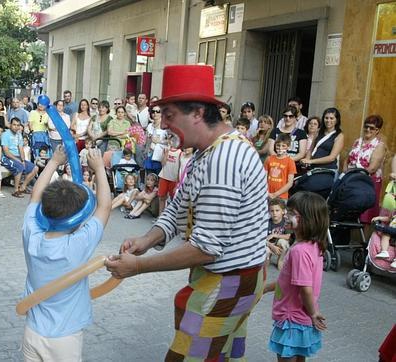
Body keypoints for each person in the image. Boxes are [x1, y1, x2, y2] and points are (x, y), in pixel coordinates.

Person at [105, 65, 268, 361]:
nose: (164, 125)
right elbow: (178, 209)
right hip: (223, 277)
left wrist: (139, 267)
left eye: (169, 115)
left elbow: (206, 248)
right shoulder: (206, 153)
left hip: (229, 279)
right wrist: (147, 239)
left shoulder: (225, 159)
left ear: (196, 113)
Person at [20, 146, 110, 361]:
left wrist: (53, 162)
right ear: (78, 219)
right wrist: (99, 168)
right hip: (65, 337)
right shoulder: (78, 245)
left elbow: (34, 197)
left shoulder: (31, 234)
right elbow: (105, 207)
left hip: (32, 332)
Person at [264, 192, 328, 361]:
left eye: (292, 213)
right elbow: (288, 281)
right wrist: (264, 289)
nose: (285, 214)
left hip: (291, 320)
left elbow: (305, 288)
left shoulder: (299, 251)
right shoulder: (313, 246)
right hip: (301, 318)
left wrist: (314, 313)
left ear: (307, 220)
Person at [344, 114, 387, 224]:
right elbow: (347, 159)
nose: (368, 129)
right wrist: (344, 173)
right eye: (366, 126)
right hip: (350, 179)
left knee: (366, 214)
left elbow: (372, 168)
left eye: (372, 128)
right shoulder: (358, 141)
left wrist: (354, 176)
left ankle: (364, 238)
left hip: (368, 181)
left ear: (377, 130)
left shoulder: (379, 145)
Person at [1, 118, 39, 198]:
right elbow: (6, 152)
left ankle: (23, 187)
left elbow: (21, 148)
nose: (16, 127)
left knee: (35, 168)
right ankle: (16, 191)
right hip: (6, 157)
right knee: (20, 167)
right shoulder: (5, 134)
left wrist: (22, 160)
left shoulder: (19, 135)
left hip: (17, 157)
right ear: (10, 125)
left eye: (18, 125)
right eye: (14, 124)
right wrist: (18, 160)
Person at [265, 134, 297, 200]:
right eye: (278, 145)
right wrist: (266, 192)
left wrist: (275, 194)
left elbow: (290, 183)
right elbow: (263, 177)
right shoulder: (269, 159)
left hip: (281, 196)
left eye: (283, 146)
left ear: (288, 147)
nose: (280, 148)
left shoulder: (290, 162)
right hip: (267, 194)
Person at [156, 144, 183, 217]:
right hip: (164, 176)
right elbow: (162, 163)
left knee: (172, 199)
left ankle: (169, 217)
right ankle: (160, 217)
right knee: (162, 197)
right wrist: (166, 153)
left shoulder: (180, 152)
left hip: (173, 179)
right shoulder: (166, 150)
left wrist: (178, 182)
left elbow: (180, 168)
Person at [267, 198, 292, 270]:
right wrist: (272, 246)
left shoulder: (286, 222)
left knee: (283, 242)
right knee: (265, 264)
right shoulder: (267, 223)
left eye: (277, 210)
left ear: (283, 211)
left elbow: (288, 236)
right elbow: (263, 239)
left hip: (279, 243)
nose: (274, 213)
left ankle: (281, 259)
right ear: (269, 212)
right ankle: (268, 257)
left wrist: (275, 235)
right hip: (269, 244)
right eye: (272, 211)